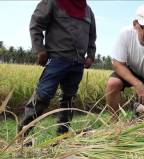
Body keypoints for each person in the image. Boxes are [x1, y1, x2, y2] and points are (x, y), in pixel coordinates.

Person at [18, 0, 96, 138]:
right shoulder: (53, 2)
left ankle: (62, 136)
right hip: (56, 59)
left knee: (69, 99)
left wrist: (90, 55)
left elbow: (91, 37)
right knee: (42, 95)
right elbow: (35, 24)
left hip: (78, 63)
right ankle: (22, 137)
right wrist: (40, 50)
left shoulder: (87, 10)